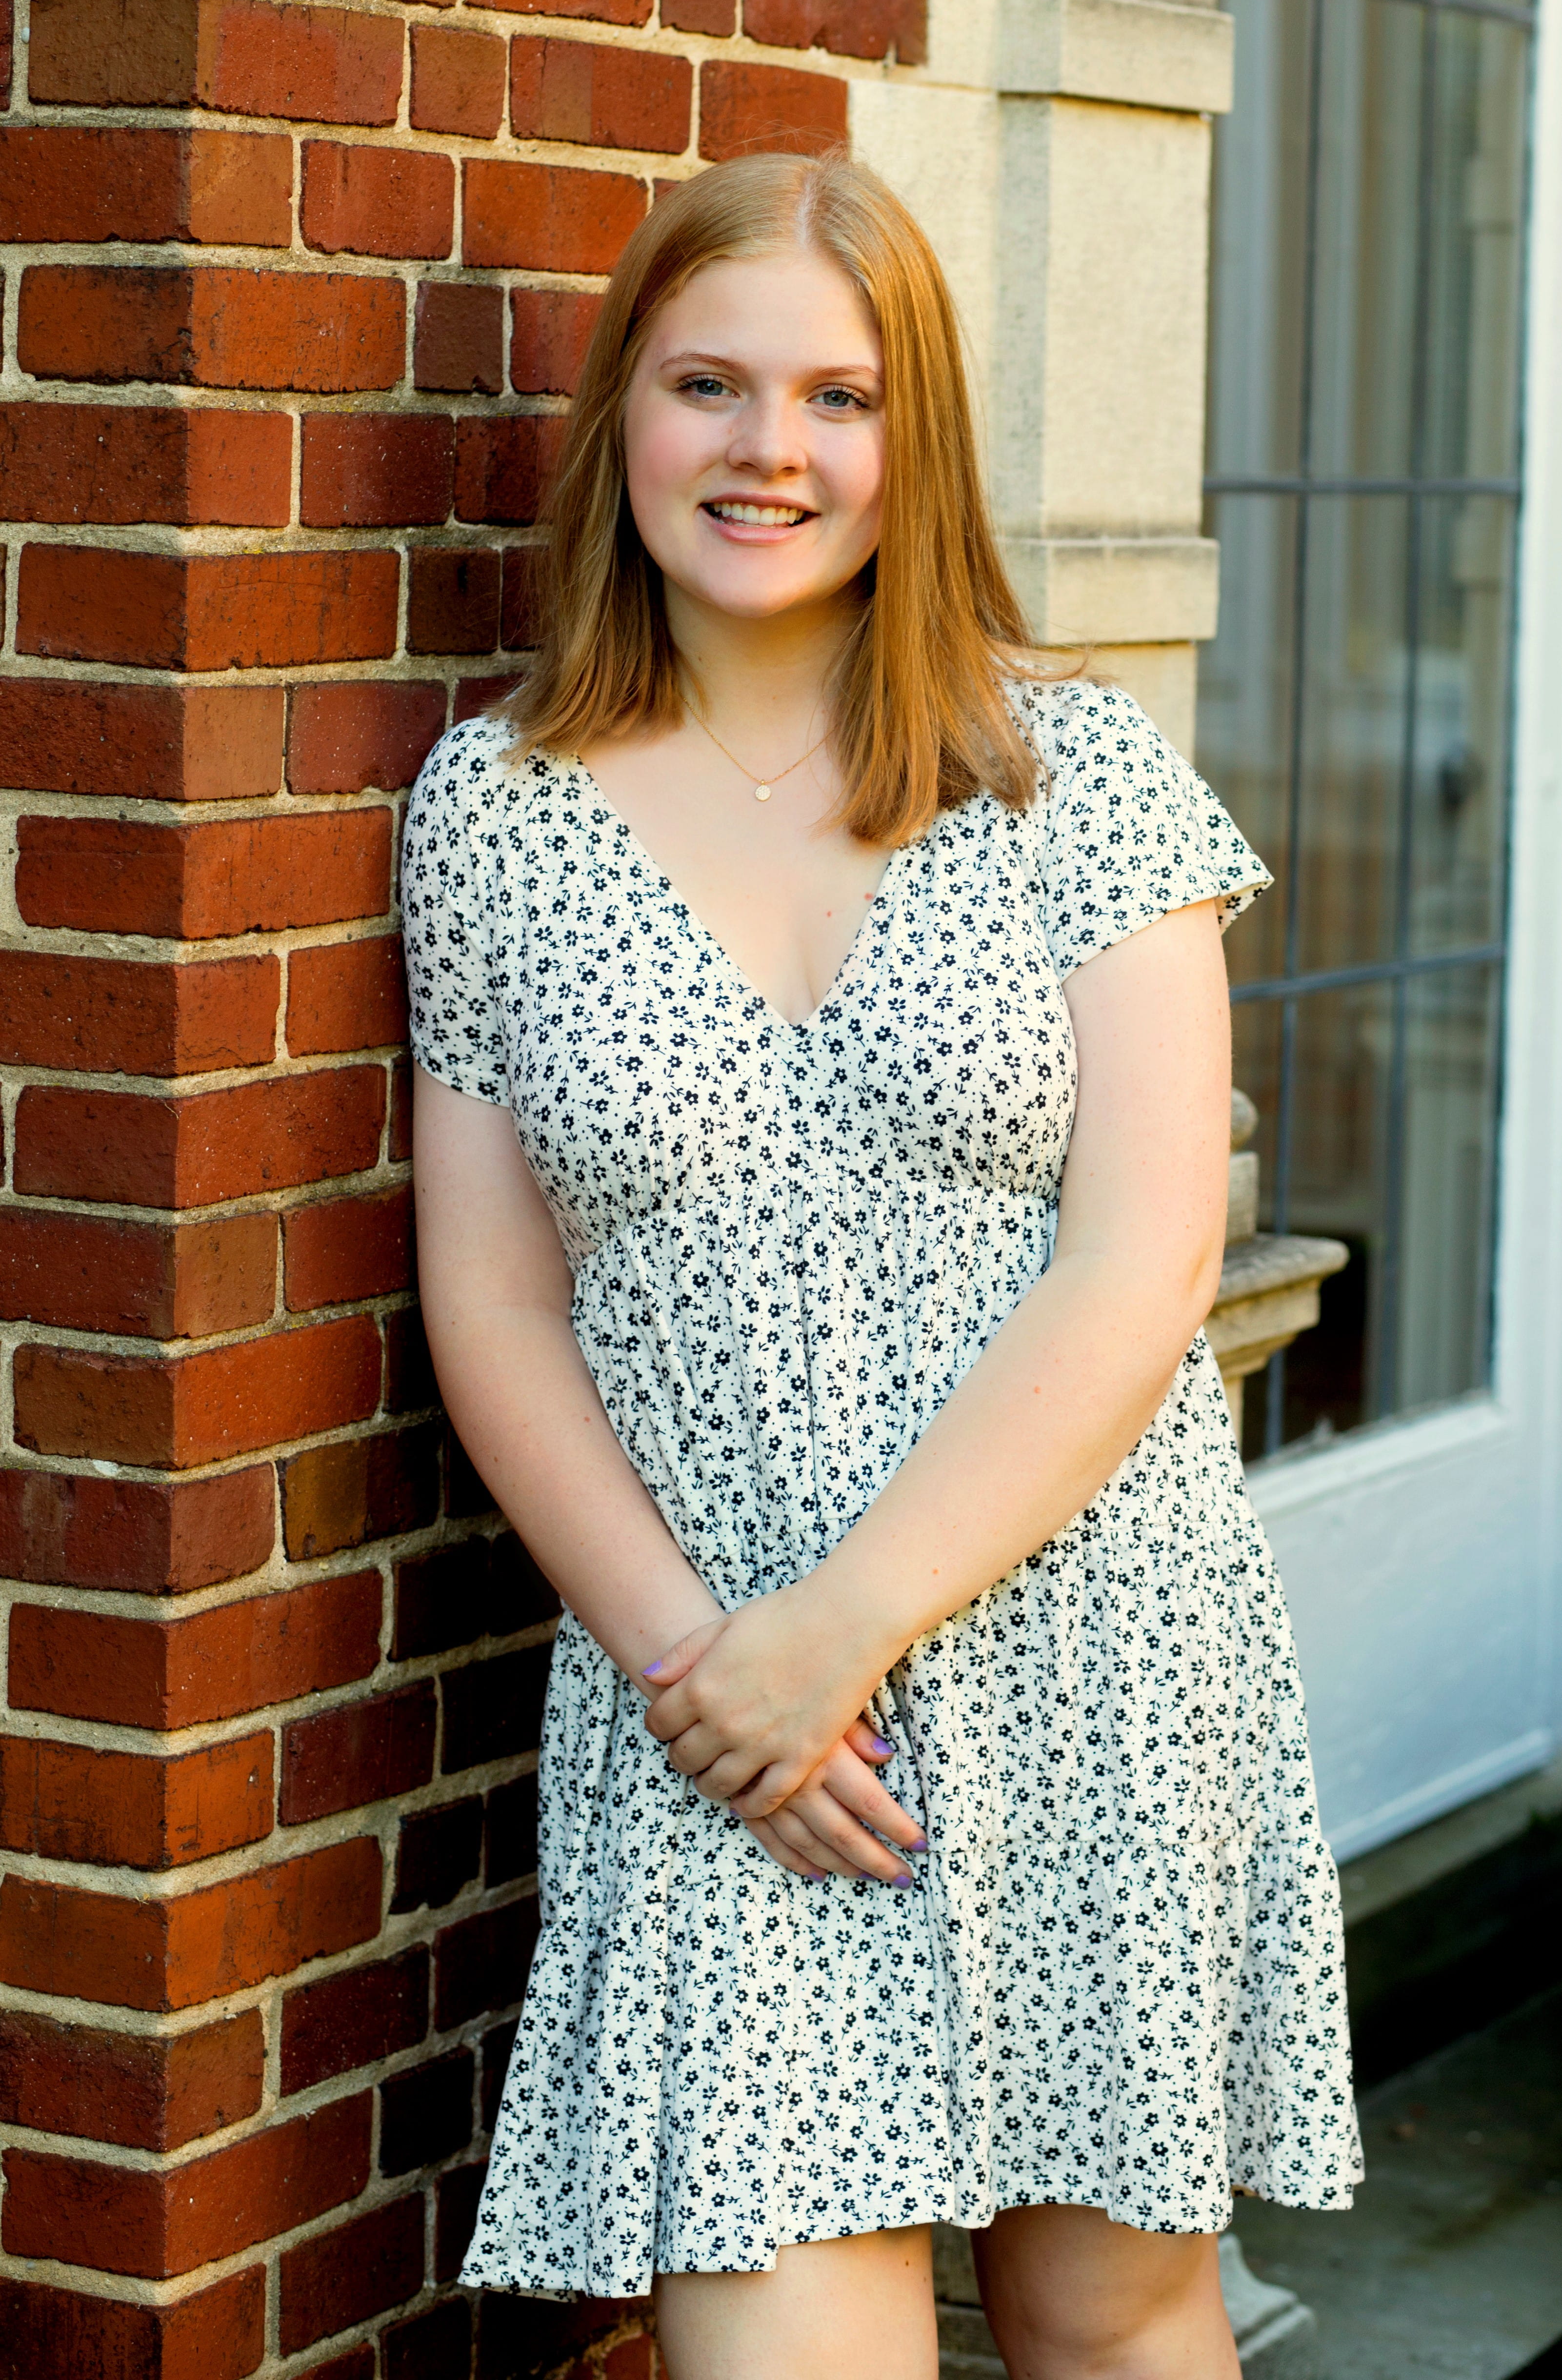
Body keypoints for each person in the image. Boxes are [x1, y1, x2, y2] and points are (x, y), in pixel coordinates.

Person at [402, 151, 1361, 2380]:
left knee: (1116, 2322)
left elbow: (1146, 1255)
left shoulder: (1071, 767)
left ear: (909, 438)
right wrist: (708, 1669)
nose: (771, 451)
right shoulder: (494, 807)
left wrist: (847, 1623)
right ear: (622, 416)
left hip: (1087, 1648)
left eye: (839, 397)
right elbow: (494, 1304)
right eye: (709, 385)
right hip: (721, 1701)